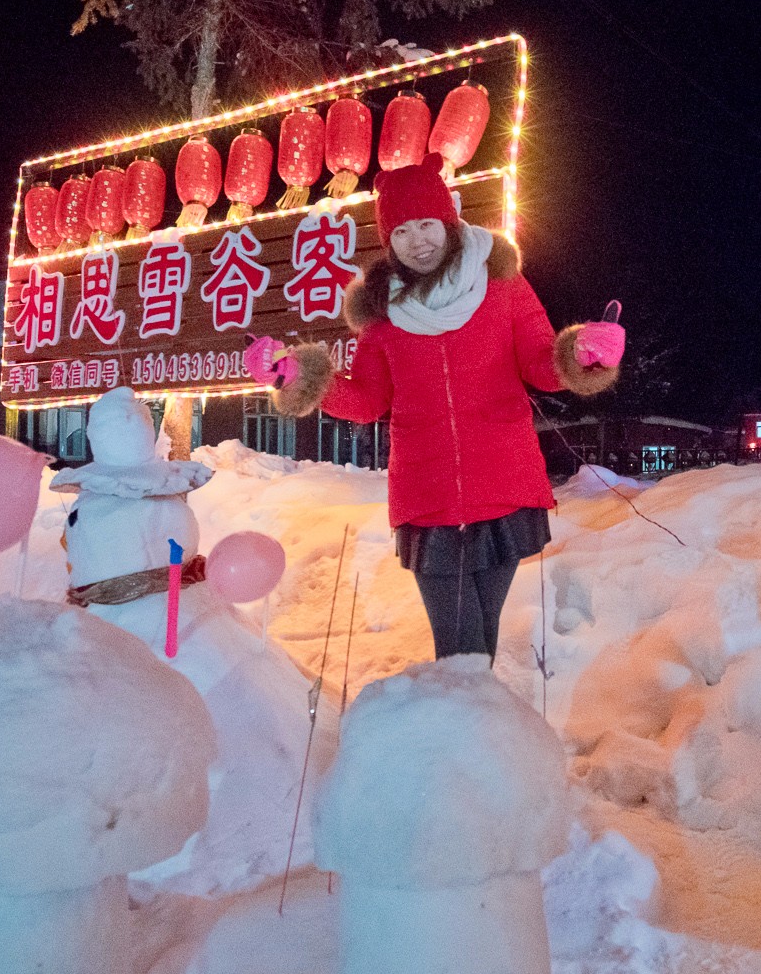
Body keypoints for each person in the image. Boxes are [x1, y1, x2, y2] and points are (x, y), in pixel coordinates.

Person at [253, 165, 623, 659]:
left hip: (504, 485)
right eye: (401, 231)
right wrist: (301, 378)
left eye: (426, 224)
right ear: (389, 241)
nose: (416, 241)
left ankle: (473, 728)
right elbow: (367, 400)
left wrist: (580, 353)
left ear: (449, 220)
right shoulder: (382, 313)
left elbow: (540, 363)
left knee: (481, 640)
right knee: (459, 646)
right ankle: (463, 723)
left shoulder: (503, 286)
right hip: (426, 497)